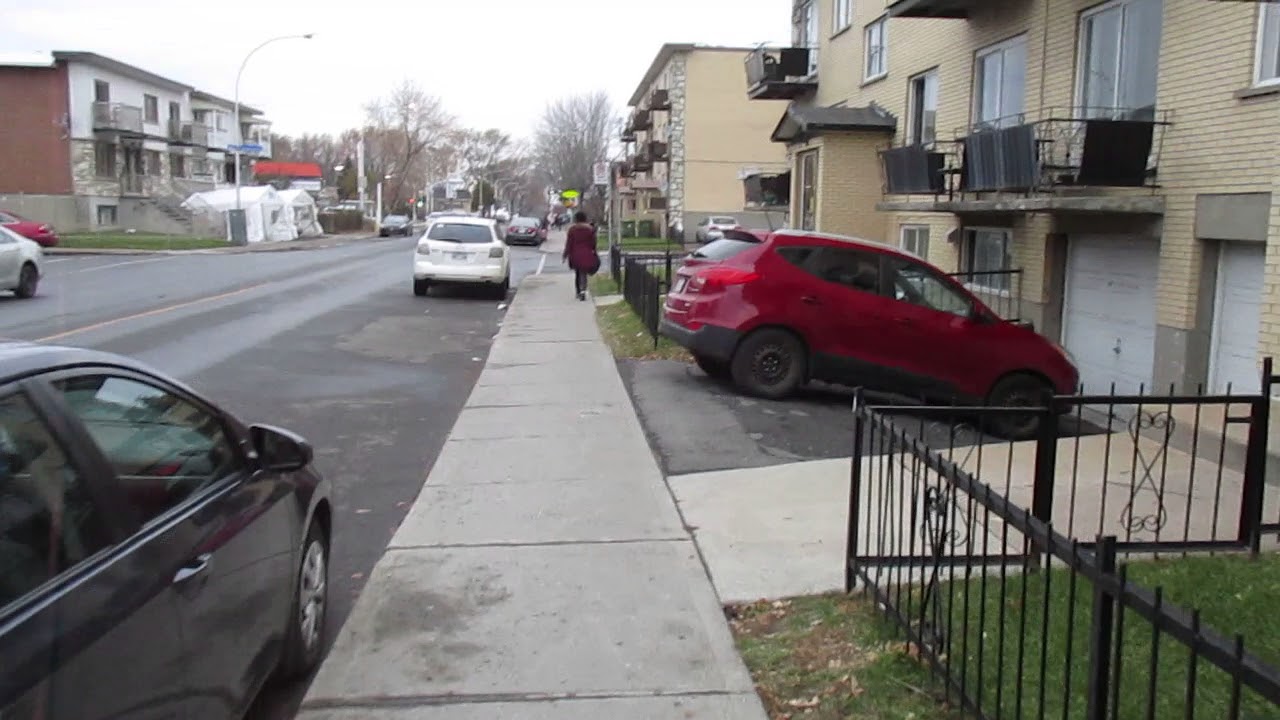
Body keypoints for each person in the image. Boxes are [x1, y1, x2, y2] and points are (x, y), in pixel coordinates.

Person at [563, 211, 598, 301]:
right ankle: (583, 290)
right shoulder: (590, 229)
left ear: (576, 219)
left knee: (578, 273)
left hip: (575, 254)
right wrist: (593, 250)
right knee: (584, 273)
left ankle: (578, 291)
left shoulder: (572, 230)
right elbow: (593, 243)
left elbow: (569, 244)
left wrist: (565, 254)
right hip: (587, 253)